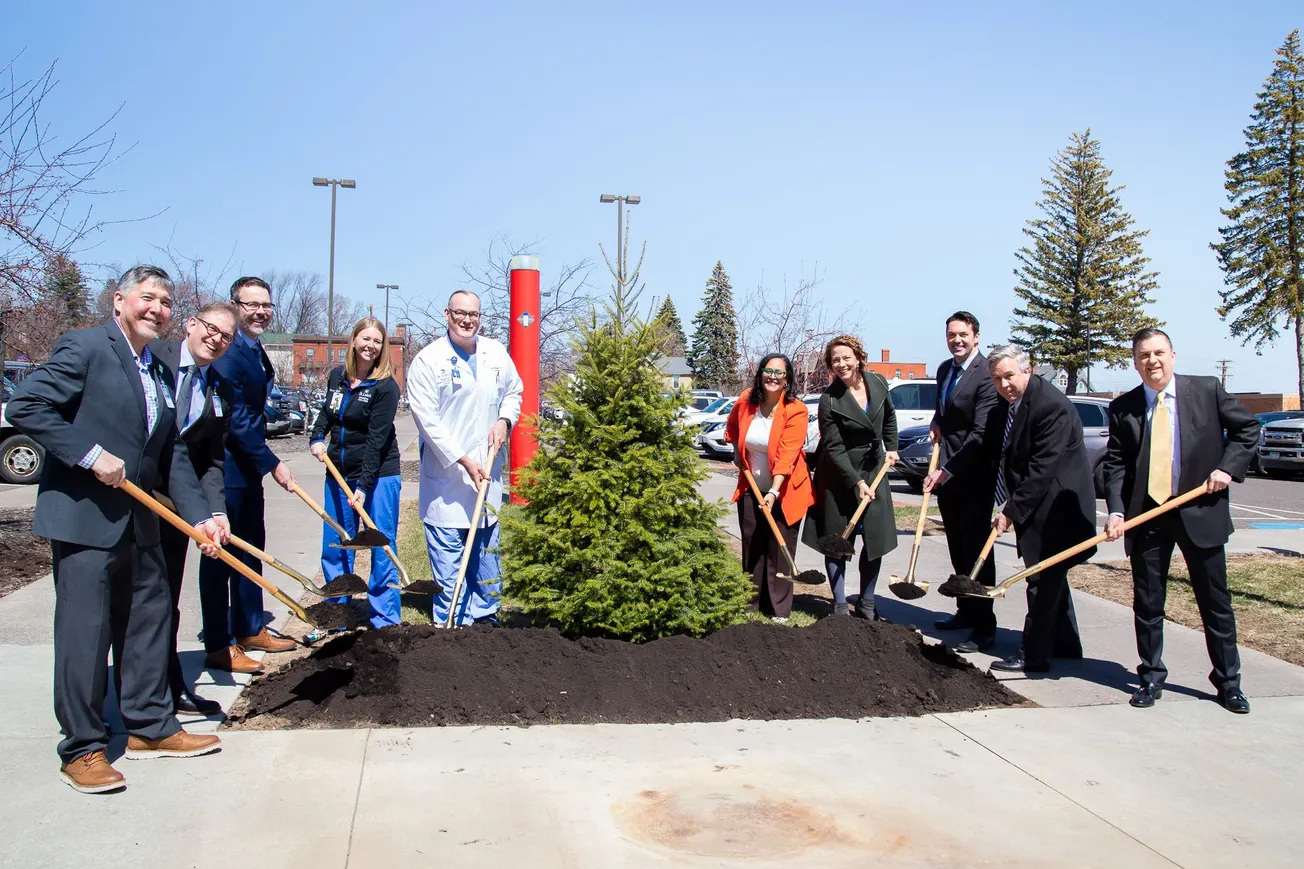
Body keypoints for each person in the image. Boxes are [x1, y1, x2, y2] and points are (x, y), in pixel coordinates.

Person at [6, 265, 225, 794]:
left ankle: (149, 725)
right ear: (120, 301)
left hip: (141, 519)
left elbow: (170, 452)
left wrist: (201, 516)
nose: (157, 308)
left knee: (150, 620)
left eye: (166, 301)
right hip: (86, 520)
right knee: (87, 634)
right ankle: (82, 748)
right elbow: (25, 405)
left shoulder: (157, 369)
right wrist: (88, 454)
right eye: (147, 297)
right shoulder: (84, 347)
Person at [1103, 328, 1259, 713]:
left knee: (1215, 603)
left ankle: (1228, 683)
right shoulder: (1124, 407)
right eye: (1143, 356)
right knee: (1148, 602)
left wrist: (1227, 468)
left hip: (1199, 511)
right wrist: (1117, 510)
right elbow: (1117, 463)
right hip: (1147, 515)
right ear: (1135, 362)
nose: (1151, 361)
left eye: (1158, 353)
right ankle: (1151, 677)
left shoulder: (1207, 391)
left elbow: (1247, 429)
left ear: (1173, 355)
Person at [199, 276, 298, 674]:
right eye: (251, 304)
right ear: (235, 305)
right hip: (226, 469)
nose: (260, 311)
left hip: (248, 470)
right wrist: (273, 461)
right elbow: (236, 423)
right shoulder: (227, 352)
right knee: (221, 555)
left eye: (266, 305)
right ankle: (219, 644)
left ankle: (251, 627)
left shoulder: (254, 350)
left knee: (250, 548)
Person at [407, 290, 523, 626]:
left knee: (486, 559)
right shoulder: (428, 361)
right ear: (447, 314)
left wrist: (504, 420)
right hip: (448, 480)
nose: (467, 320)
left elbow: (514, 392)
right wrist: (463, 460)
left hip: (486, 472)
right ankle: (453, 622)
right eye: (460, 313)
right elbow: (426, 420)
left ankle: (486, 619)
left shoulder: (496, 353)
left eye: (473, 314)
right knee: (449, 561)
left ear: (480, 317)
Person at [149, 301, 240, 716]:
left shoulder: (219, 386)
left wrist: (214, 510)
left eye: (226, 336)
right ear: (190, 324)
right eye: (210, 328)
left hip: (175, 507)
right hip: (128, 499)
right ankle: (115, 694)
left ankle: (167, 688)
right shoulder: (153, 359)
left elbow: (210, 459)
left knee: (165, 600)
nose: (216, 339)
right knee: (127, 606)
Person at [984, 345, 1095, 673]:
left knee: (1040, 578)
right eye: (997, 379)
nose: (1003, 384)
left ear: (1027, 369)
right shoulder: (1016, 402)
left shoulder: (1049, 406)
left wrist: (1009, 511)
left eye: (1008, 376)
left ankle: (1033, 653)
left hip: (1056, 510)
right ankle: (1066, 644)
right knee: (1052, 579)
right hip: (1040, 504)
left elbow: (1042, 470)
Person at [310, 317, 403, 628]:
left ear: (382, 347)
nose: (370, 346)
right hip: (338, 471)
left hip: (379, 474)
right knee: (337, 543)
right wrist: (315, 437)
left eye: (377, 341)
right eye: (365, 338)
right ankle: (336, 614)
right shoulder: (338, 376)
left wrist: (364, 486)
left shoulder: (385, 387)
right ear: (353, 340)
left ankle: (384, 619)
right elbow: (328, 413)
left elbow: (377, 441)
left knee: (380, 542)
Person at [801, 335, 898, 619]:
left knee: (874, 538)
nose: (841, 364)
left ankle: (867, 602)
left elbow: (889, 416)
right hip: (840, 475)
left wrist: (891, 447)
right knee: (838, 540)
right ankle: (840, 605)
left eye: (846, 358)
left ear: (858, 357)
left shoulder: (878, 383)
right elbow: (834, 447)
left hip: (874, 470)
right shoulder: (830, 400)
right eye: (835, 360)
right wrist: (856, 482)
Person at [923, 311, 1000, 653]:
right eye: (951, 335)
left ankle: (985, 626)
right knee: (957, 546)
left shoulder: (985, 374)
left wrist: (947, 470)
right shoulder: (944, 369)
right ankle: (965, 611)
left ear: (976, 336)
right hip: (948, 476)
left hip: (973, 476)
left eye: (963, 334)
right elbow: (946, 411)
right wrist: (936, 423)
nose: (957, 340)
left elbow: (981, 433)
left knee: (977, 550)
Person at [725, 354, 815, 622]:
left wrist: (774, 492)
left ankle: (779, 608)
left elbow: (788, 455)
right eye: (768, 371)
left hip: (786, 489)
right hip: (751, 485)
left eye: (779, 373)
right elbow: (731, 428)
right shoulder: (746, 400)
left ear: (787, 378)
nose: (773, 377)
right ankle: (751, 602)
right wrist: (735, 452)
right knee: (752, 542)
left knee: (779, 544)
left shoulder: (796, 409)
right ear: (760, 374)